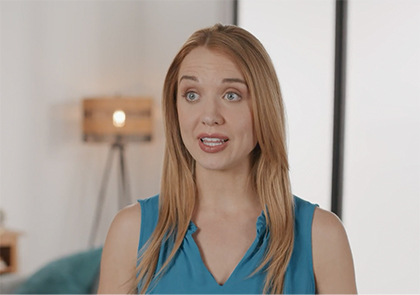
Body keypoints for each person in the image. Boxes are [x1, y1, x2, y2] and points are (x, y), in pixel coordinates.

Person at [97, 24, 357, 294]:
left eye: (231, 95)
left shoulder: (321, 237)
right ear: (175, 110)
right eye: (192, 95)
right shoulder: (131, 232)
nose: (209, 115)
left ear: (264, 108)